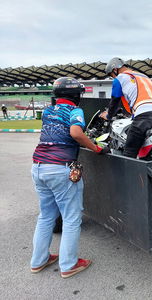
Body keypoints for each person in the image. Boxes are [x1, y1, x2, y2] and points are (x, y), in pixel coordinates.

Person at [30, 77, 108, 278]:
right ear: (75, 95)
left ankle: (39, 261)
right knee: (71, 218)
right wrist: (96, 148)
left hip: (38, 167)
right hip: (60, 169)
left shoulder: (47, 111)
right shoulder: (75, 111)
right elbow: (76, 133)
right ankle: (68, 265)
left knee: (46, 216)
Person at [100, 57, 152, 158]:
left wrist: (109, 115)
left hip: (145, 115)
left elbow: (115, 101)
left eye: (111, 75)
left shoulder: (120, 78)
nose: (113, 78)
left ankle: (127, 172)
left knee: (129, 151)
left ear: (115, 70)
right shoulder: (143, 76)